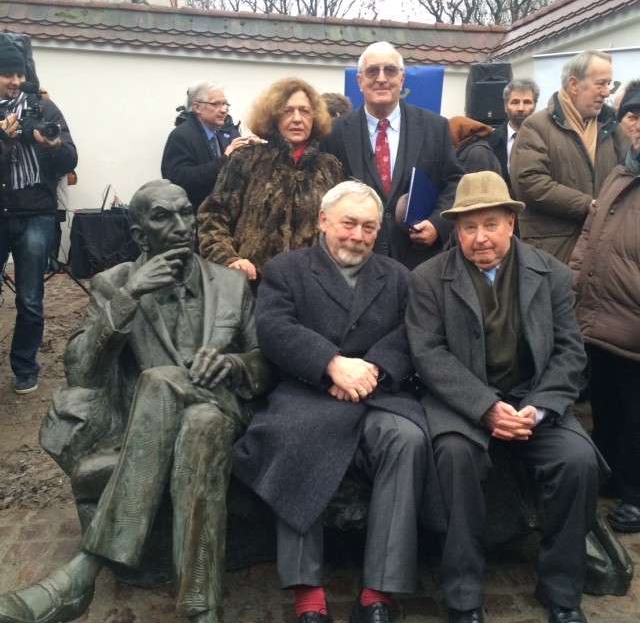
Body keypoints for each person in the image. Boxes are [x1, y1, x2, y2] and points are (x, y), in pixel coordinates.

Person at [0, 180, 272, 623]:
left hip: (229, 408)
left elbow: (264, 361)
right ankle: (203, 610)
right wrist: (129, 298)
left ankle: (84, 570)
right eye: (164, 217)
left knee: (165, 382)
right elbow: (82, 372)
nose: (182, 226)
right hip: (169, 425)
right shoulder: (113, 284)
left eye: (186, 213)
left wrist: (235, 367)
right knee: (198, 424)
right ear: (140, 234)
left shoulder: (231, 284)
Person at [233, 181, 445, 623]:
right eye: (349, 223)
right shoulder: (286, 270)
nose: (358, 236)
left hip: (378, 395)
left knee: (407, 439)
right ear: (323, 221)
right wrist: (330, 363)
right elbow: (273, 328)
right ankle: (307, 594)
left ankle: (378, 593)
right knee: (294, 436)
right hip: (308, 392)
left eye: (369, 227)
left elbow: (413, 334)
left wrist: (370, 372)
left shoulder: (398, 276)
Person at [406, 171, 605, 623]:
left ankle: (560, 590)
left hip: (534, 400)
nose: (480, 238)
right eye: (469, 227)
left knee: (578, 461)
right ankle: (463, 593)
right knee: (454, 458)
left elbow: (570, 350)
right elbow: (428, 354)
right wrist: (484, 407)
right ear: (455, 230)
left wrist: (539, 408)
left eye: (490, 224)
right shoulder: (428, 279)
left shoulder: (549, 273)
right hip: (463, 404)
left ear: (511, 224)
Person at [323, 41, 463, 270]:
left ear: (402, 79)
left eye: (389, 70)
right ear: (359, 81)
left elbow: (454, 182)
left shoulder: (434, 127)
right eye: (372, 71)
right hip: (354, 263)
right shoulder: (335, 133)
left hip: (418, 265)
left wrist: (437, 224)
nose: (381, 78)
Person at [571, 87, 640, 533]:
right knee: (607, 404)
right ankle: (612, 476)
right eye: (635, 117)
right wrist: (575, 277)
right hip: (599, 314)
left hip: (633, 318)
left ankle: (636, 493)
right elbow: (592, 231)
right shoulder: (621, 171)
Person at [198, 77, 343, 284]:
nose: (296, 119)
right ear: (273, 116)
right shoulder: (246, 160)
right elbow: (212, 216)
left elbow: (340, 227)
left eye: (304, 111)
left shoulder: (329, 168)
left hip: (312, 288)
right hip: (253, 286)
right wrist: (229, 259)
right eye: (287, 111)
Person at [0, 40, 77, 394]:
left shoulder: (44, 107)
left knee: (30, 297)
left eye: (19, 73)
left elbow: (71, 157)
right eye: (7, 73)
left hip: (37, 213)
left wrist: (56, 146)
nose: (15, 80)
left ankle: (25, 367)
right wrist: (4, 142)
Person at [510, 51, 628, 264]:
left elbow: (629, 173)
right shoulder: (536, 127)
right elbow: (530, 183)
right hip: (554, 252)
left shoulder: (612, 126)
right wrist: (589, 205)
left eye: (609, 84)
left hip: (604, 250)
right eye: (600, 84)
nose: (606, 92)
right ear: (574, 84)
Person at [161, 80, 259, 215]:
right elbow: (178, 180)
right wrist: (225, 159)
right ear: (197, 107)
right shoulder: (181, 135)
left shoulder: (220, 134)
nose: (224, 109)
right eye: (216, 104)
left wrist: (254, 151)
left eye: (225, 104)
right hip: (194, 220)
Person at [488, 78, 539, 195]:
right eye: (515, 102)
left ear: (535, 106)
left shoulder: (545, 140)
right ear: (505, 106)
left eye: (527, 102)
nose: (521, 108)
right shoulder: (490, 141)